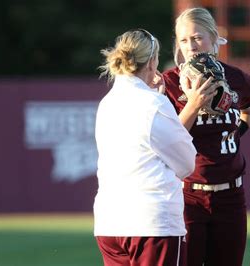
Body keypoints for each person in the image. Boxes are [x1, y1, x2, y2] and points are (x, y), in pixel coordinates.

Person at [162, 7, 250, 266]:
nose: (191, 46)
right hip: (188, 195)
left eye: (197, 37)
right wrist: (193, 104)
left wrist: (238, 134)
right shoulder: (168, 83)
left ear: (214, 38)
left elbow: (249, 108)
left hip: (231, 195)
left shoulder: (237, 78)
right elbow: (168, 139)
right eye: (184, 40)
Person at [93, 29, 197, 266]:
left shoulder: (107, 102)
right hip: (152, 223)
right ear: (151, 62)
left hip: (110, 222)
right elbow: (187, 163)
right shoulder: (154, 103)